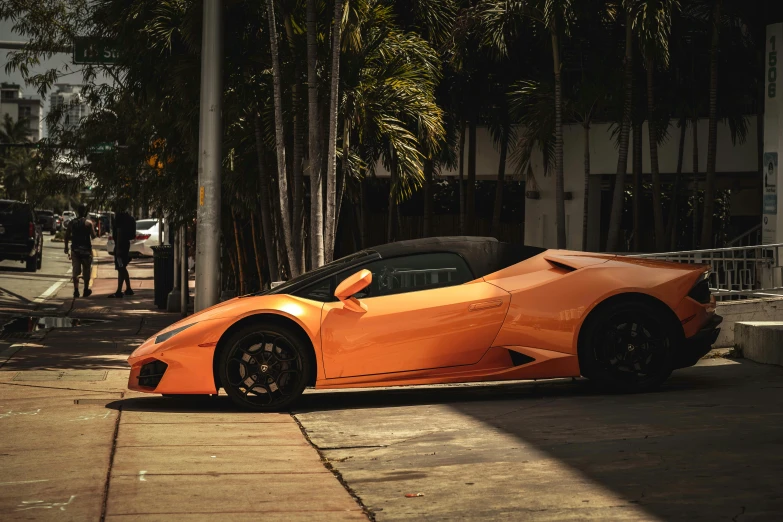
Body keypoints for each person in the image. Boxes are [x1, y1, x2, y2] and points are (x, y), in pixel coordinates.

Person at [64, 204, 96, 298]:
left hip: (75, 250)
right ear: (86, 213)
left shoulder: (72, 223)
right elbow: (93, 236)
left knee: (76, 271)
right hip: (86, 251)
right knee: (86, 271)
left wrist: (66, 248)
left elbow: (66, 236)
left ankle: (76, 291)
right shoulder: (88, 223)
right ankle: (85, 289)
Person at [110, 205, 136, 298]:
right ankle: (127, 288)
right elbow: (133, 235)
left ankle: (119, 290)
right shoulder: (131, 219)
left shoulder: (119, 218)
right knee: (122, 267)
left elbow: (118, 232)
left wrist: (117, 249)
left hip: (120, 245)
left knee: (121, 268)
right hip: (126, 245)